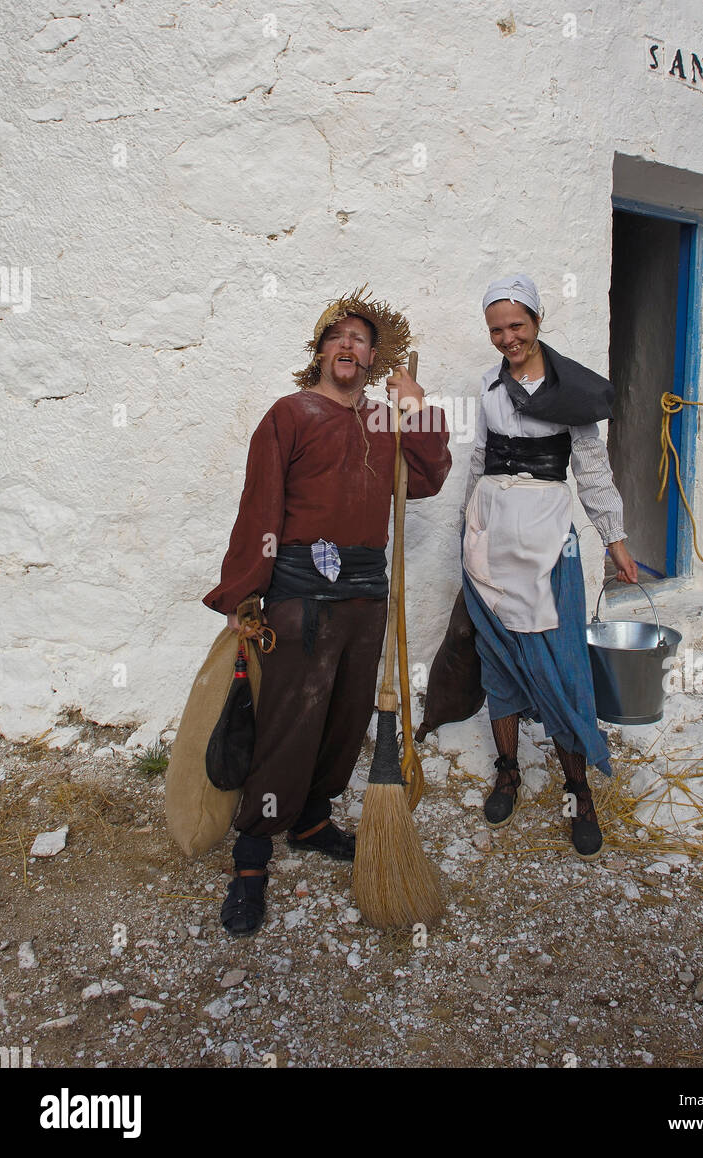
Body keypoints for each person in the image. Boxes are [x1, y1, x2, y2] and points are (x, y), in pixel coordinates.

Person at [202, 289, 451, 937]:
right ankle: (252, 858)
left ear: (374, 358)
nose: (349, 346)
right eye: (336, 337)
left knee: (344, 720)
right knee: (288, 724)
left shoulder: (383, 420)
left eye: (360, 340)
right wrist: (246, 594)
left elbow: (426, 479)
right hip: (300, 597)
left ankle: (311, 820)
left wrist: (417, 412)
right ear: (319, 352)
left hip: (365, 599)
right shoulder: (289, 415)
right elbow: (260, 508)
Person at [460, 274, 639, 861]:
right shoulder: (487, 386)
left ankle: (579, 792)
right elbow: (481, 459)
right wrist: (469, 521)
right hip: (490, 528)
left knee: (560, 660)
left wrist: (613, 538)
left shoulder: (572, 391)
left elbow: (591, 469)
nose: (507, 337)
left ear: (537, 322)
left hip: (547, 531)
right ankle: (507, 771)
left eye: (516, 325)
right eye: (496, 328)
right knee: (498, 655)